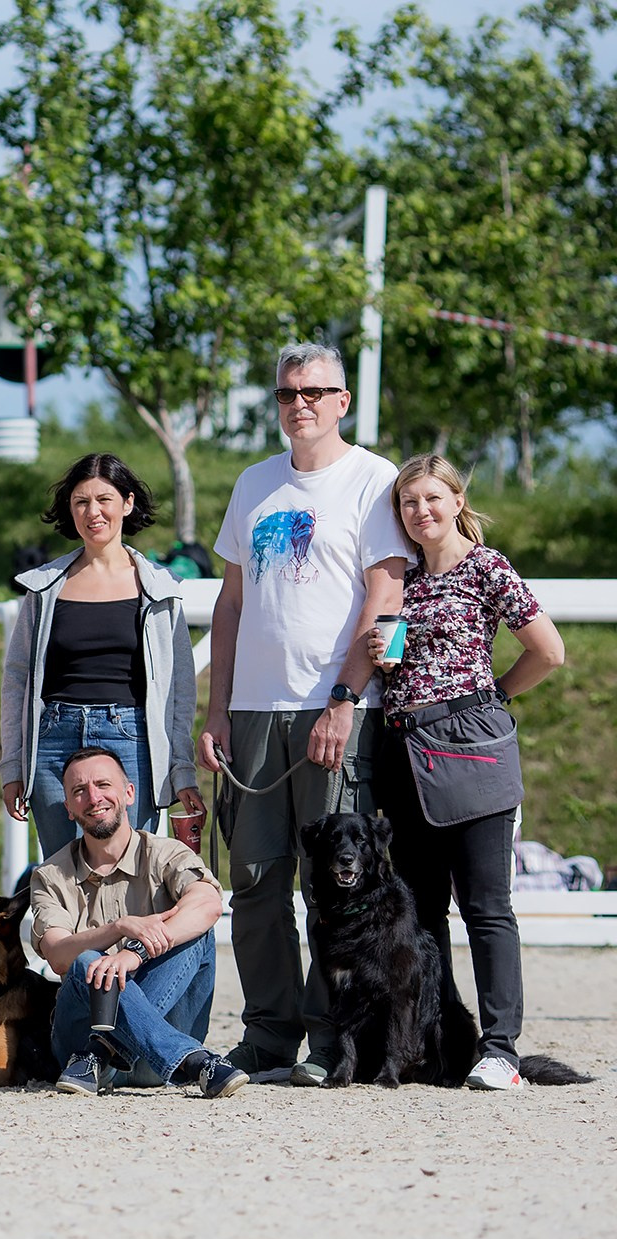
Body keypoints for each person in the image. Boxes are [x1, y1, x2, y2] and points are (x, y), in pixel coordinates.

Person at [199, 341, 412, 1087]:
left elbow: (386, 602)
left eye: (315, 391)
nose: (301, 404)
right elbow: (230, 604)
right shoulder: (254, 483)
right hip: (254, 710)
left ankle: (331, 1039)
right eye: (288, 392)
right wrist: (219, 708)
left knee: (334, 885)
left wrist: (345, 700)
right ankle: (268, 1035)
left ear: (342, 401)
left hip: (333, 708)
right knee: (256, 879)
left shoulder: (373, 480)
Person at [369, 454, 565, 1091]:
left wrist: (495, 693)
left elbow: (549, 651)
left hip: (471, 744)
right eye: (407, 502)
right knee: (421, 911)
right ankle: (438, 1042)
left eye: (431, 498)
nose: (419, 511)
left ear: (456, 501)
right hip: (404, 749)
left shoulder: (487, 567)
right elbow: (392, 663)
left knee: (486, 906)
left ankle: (501, 1047)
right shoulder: (402, 581)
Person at [0, 452, 202, 858]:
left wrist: (181, 769)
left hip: (131, 740)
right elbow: (17, 678)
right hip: (53, 741)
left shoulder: (160, 589)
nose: (93, 512)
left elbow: (180, 687)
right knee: (61, 874)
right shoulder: (44, 589)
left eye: (104, 499)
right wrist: (13, 766)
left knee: (127, 873)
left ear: (127, 504)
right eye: (81, 502)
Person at [31, 747, 248, 1098]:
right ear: (68, 808)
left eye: (103, 784)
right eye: (79, 791)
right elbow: (56, 954)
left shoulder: (166, 853)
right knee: (86, 960)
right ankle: (194, 1061)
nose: (93, 797)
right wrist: (119, 928)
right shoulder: (51, 875)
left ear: (129, 793)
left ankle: (106, 1049)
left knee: (196, 934)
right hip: (80, 1051)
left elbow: (208, 902)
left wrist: (135, 953)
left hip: (141, 1059)